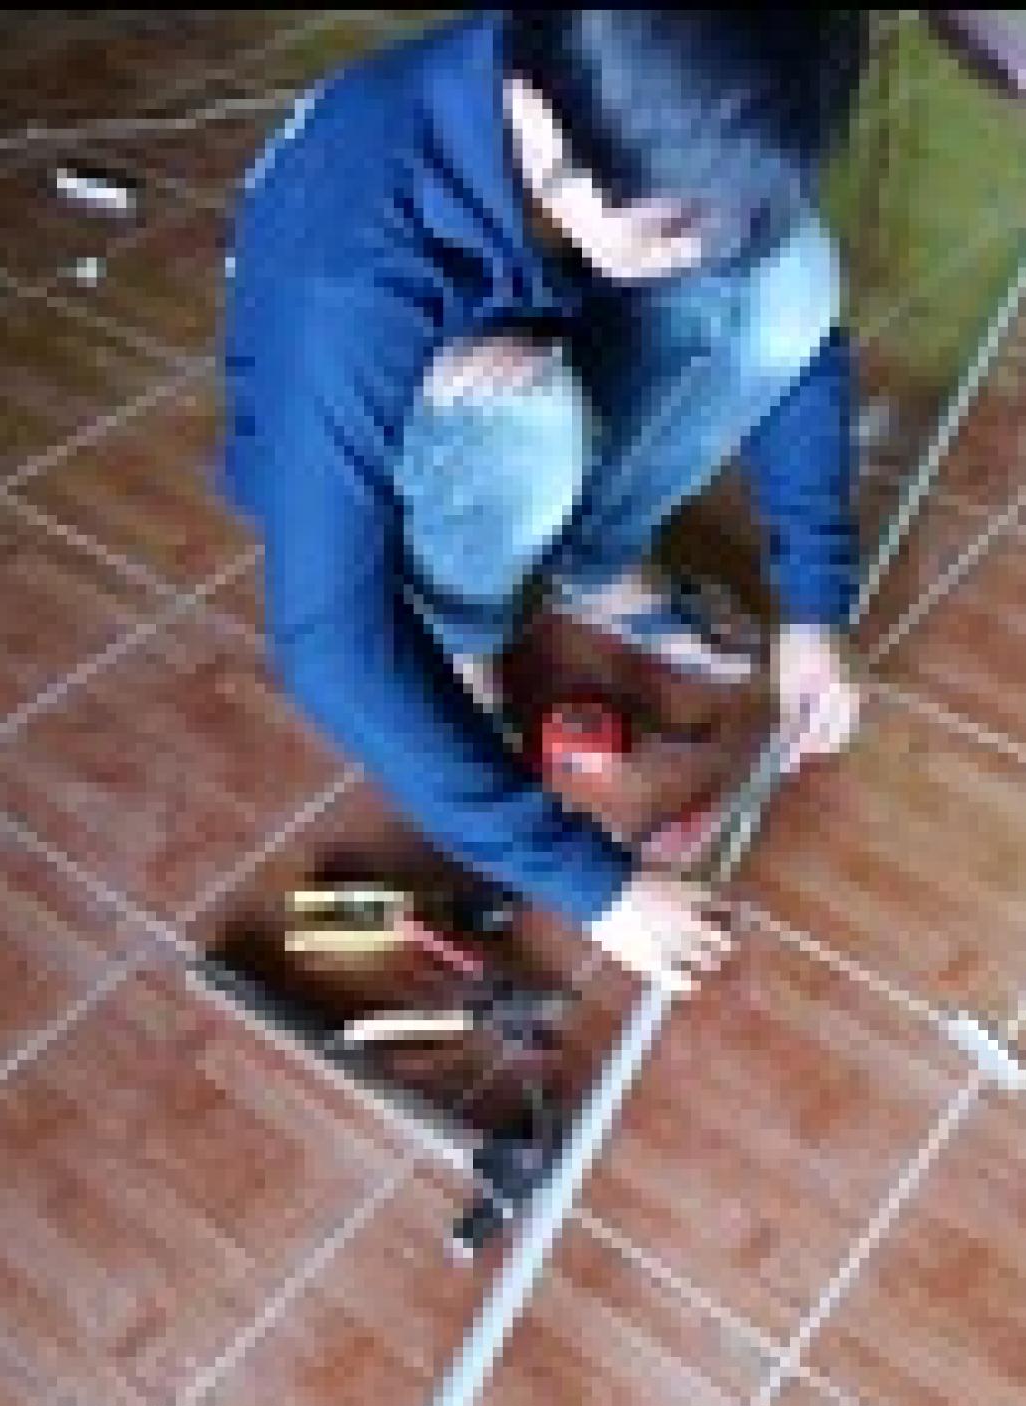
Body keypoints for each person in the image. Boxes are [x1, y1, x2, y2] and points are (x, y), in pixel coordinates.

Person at [220, 10, 868, 995]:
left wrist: (814, 605)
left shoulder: (638, 90)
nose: (700, 248)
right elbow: (327, 644)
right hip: (383, 450)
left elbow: (794, 332)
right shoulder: (352, 265)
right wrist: (597, 888)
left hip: (539, 312)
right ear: (538, 125)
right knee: (520, 419)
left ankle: (589, 561)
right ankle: (458, 636)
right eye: (673, 226)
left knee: (789, 275)